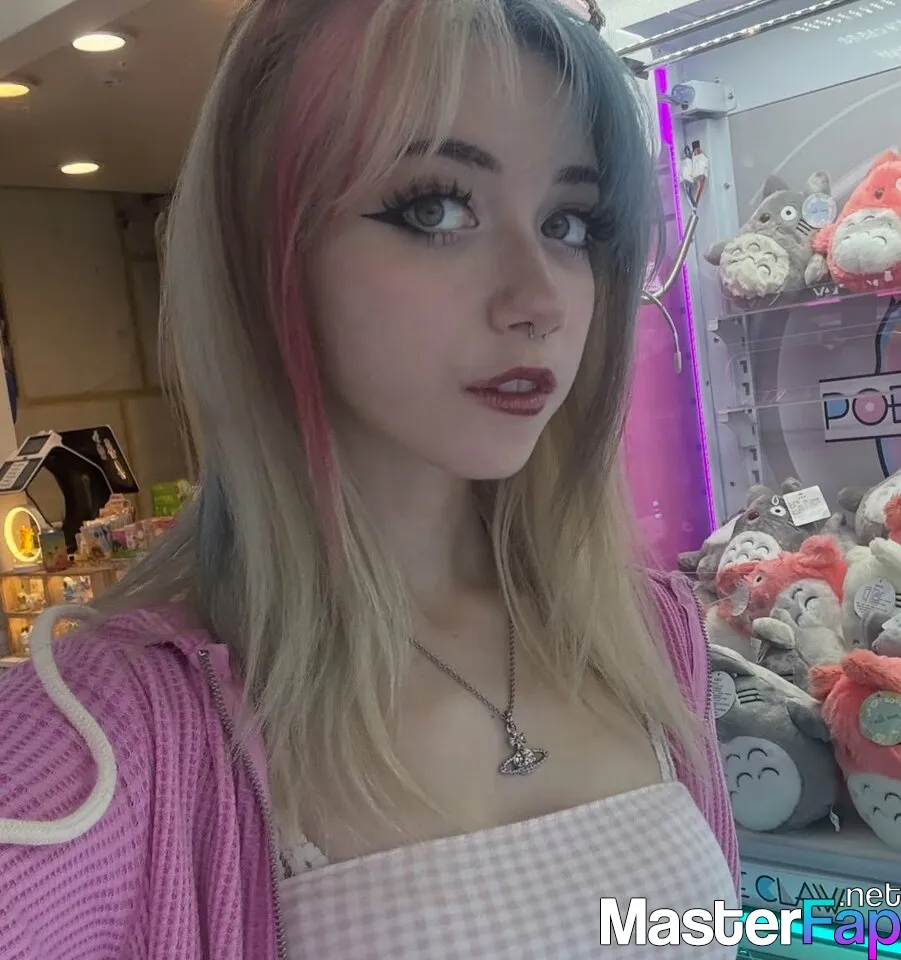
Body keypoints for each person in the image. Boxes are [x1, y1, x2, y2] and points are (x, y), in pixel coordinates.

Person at [0, 0, 739, 957]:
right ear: (264, 254)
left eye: (567, 221)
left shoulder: (651, 634)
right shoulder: (109, 734)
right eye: (435, 209)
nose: (538, 300)